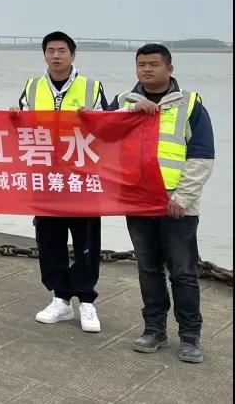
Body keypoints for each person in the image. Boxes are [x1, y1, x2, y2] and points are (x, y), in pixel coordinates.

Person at [114, 44, 215, 363]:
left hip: (176, 206)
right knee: (148, 268)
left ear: (169, 69)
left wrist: (182, 197)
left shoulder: (190, 104)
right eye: (141, 64)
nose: (147, 69)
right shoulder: (123, 102)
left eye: (154, 64)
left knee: (183, 272)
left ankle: (190, 336)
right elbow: (96, 131)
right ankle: (154, 329)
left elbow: (202, 155)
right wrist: (131, 110)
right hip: (138, 202)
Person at [13, 31, 107, 333]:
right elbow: (22, 128)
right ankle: (61, 298)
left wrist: (93, 120)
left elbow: (108, 130)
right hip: (45, 179)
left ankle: (87, 300)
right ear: (44, 55)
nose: (56, 56)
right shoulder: (32, 87)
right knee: (49, 239)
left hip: (82, 179)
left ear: (72, 55)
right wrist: (13, 118)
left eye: (62, 50)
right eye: (51, 50)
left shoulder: (92, 87)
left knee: (86, 240)